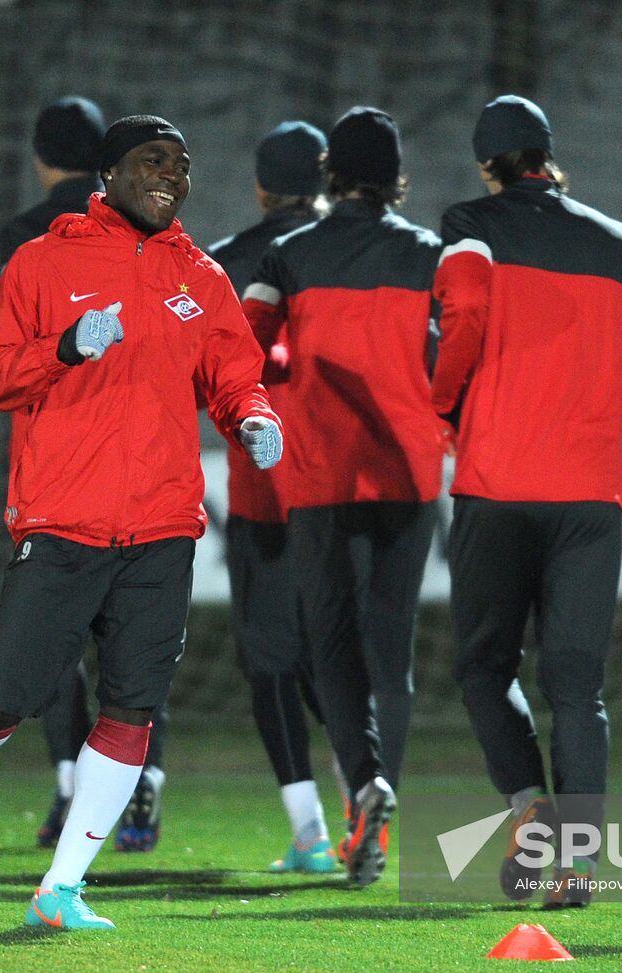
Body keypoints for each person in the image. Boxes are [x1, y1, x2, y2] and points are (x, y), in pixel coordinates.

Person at [0, 115, 282, 931]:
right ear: (108, 173)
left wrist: (253, 418)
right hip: (63, 519)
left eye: (181, 163)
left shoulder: (201, 279)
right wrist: (62, 347)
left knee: (133, 707)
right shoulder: (42, 262)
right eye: (151, 160)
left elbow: (236, 376)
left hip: (163, 526)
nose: (170, 174)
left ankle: (60, 889)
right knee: (12, 696)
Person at [432, 95, 622, 909]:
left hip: (497, 483)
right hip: (588, 494)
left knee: (483, 668)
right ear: (548, 156)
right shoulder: (616, 241)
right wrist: (599, 393)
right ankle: (576, 863)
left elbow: (464, 311)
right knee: (579, 688)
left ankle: (527, 809)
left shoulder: (469, 221)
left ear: (487, 163)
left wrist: (448, 401)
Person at [243, 107, 443, 887]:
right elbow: (456, 349)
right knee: (391, 647)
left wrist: (301, 376)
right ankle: (376, 821)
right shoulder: (431, 255)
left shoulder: (290, 254)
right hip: (408, 471)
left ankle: (363, 785)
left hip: (322, 470)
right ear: (398, 177)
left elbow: (248, 350)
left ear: (330, 175)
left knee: (330, 641)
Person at [0, 95, 173, 853]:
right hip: (141, 470)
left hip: (55, 471)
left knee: (55, 638)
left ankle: (68, 782)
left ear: (41, 157)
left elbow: (6, 358)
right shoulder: (152, 233)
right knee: (133, 649)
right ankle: (145, 786)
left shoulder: (23, 239)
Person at [209, 121, 336, 873]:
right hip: (345, 491)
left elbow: (204, 371)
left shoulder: (226, 261)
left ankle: (310, 832)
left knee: (271, 664)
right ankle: (369, 803)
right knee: (340, 659)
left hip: (261, 495)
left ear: (260, 184)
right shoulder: (352, 250)